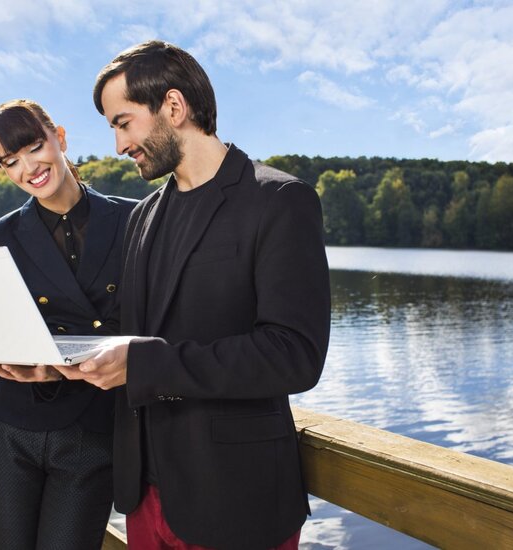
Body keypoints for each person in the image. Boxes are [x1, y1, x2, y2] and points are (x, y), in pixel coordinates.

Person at [66, 40, 331, 549]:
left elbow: (295, 355)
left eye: (123, 123)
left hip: (236, 503)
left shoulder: (279, 200)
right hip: (145, 496)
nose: (119, 145)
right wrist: (50, 361)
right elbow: (128, 331)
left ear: (173, 106)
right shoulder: (141, 217)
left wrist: (145, 365)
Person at [0, 99, 137, 550]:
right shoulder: (0, 235)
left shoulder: (134, 218)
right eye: (10, 161)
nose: (28, 167)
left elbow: (144, 323)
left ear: (59, 138)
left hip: (91, 428)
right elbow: (3, 323)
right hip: (11, 424)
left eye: (33, 147)